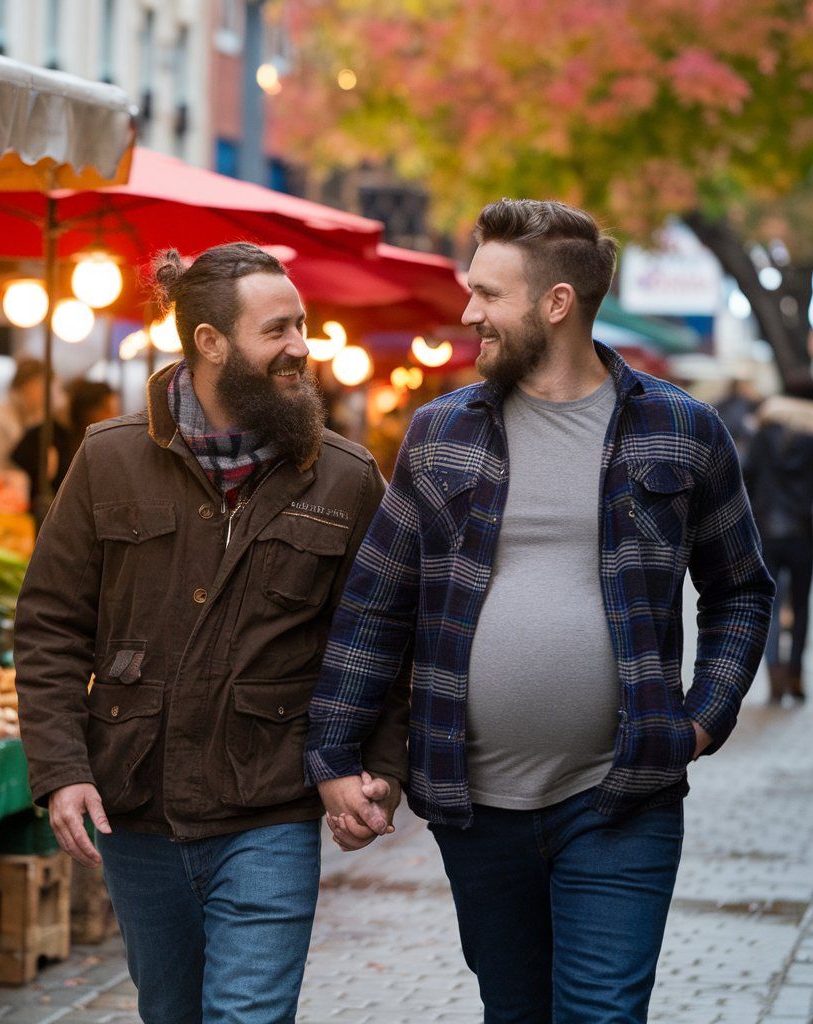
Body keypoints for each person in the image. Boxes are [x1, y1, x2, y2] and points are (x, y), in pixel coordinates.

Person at [306, 199, 775, 1024]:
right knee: (515, 1010)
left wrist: (700, 721)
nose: (468, 312)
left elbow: (741, 589)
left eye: (489, 293)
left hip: (622, 795)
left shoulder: (683, 430)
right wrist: (337, 756)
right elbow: (378, 604)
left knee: (602, 1013)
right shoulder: (442, 432)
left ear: (557, 304)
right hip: (473, 801)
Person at [14, 242, 407, 1024]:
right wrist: (60, 768)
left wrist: (382, 769)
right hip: (138, 806)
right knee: (171, 1012)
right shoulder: (109, 459)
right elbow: (51, 624)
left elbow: (386, 643)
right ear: (210, 343)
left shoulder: (345, 476)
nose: (300, 346)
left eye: (302, 325)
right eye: (277, 330)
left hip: (271, 805)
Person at [744, 394, 813, 703]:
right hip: (803, 533)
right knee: (800, 608)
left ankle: (775, 677)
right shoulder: (810, 438)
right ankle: (796, 674)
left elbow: (745, 476)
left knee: (770, 608)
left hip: (767, 532)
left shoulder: (761, 435)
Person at [11, 378, 118, 504]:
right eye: (107, 409)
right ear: (89, 410)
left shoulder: (100, 443)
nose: (114, 415)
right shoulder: (52, 436)